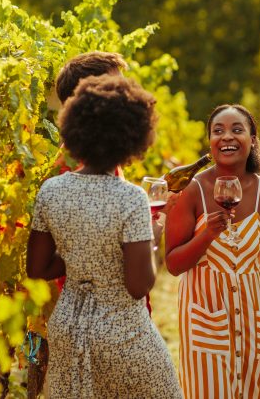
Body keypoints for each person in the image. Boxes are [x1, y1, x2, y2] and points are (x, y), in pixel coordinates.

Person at [26, 75, 181, 399]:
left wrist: (82, 253)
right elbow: (138, 284)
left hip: (68, 328)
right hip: (121, 333)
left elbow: (38, 268)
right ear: (134, 138)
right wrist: (153, 235)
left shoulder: (51, 190)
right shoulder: (131, 198)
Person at [165, 104, 260, 398]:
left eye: (237, 129)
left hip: (254, 313)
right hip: (205, 315)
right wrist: (207, 234)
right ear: (209, 142)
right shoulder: (192, 190)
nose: (226, 137)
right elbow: (173, 264)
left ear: (252, 138)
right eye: (218, 131)